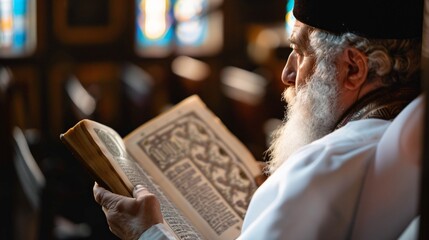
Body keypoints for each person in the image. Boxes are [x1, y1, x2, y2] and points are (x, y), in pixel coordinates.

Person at [93, 0, 425, 239]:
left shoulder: (323, 165)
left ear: (353, 69)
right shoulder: (411, 135)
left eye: (300, 52)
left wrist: (147, 232)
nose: (287, 73)